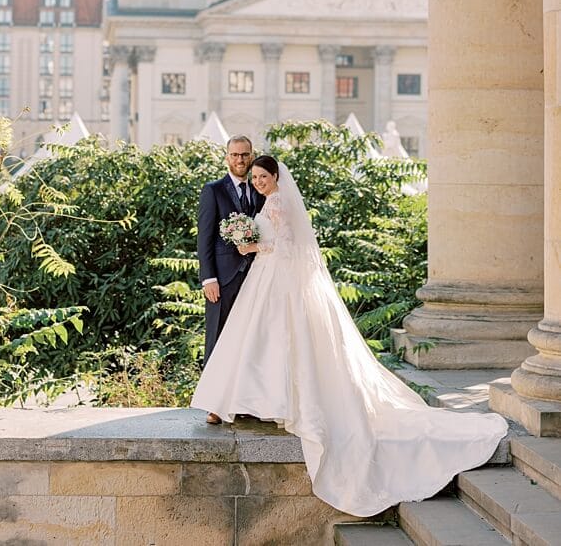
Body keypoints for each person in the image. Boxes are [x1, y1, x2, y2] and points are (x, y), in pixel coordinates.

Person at [191, 155, 507, 517]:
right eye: (256, 177)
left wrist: (253, 246)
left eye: (264, 176)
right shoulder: (270, 202)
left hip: (275, 279)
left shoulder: (277, 204)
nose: (259, 181)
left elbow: (289, 247)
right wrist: (253, 243)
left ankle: (273, 402)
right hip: (268, 280)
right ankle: (264, 402)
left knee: (274, 342)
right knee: (262, 342)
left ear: (276, 176)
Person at [196, 135, 265, 424]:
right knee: (218, 338)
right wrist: (208, 278)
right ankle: (215, 404)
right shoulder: (213, 191)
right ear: (227, 157)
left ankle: (245, 401)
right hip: (222, 279)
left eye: (245, 155)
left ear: (252, 157)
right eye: (235, 155)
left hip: (257, 277)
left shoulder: (261, 190)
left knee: (250, 340)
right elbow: (205, 237)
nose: (240, 160)